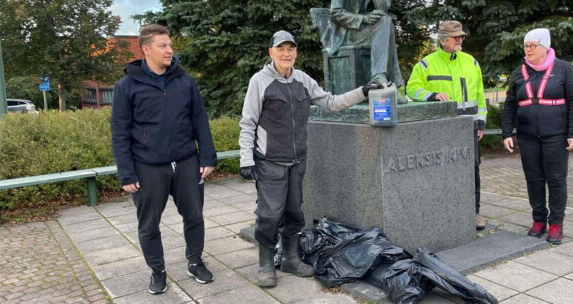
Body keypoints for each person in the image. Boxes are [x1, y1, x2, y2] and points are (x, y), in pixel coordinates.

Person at [239, 30, 382, 287]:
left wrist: (362, 91)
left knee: (294, 213)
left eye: (290, 49)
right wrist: (246, 159)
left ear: (295, 53)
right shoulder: (259, 81)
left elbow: (331, 103)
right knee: (269, 214)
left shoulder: (303, 80)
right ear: (271, 52)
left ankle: (291, 260)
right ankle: (264, 264)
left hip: (297, 162)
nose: (286, 54)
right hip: (269, 162)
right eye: (281, 49)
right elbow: (248, 123)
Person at [110, 24, 217, 294]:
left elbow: (200, 120)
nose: (169, 50)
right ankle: (157, 271)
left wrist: (207, 156)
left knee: (194, 216)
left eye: (170, 45)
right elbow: (119, 133)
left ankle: (195, 262)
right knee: (149, 225)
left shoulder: (185, 81)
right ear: (145, 49)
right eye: (162, 46)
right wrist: (127, 173)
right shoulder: (126, 87)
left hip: (186, 162)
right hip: (146, 167)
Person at [501, 28, 573, 245]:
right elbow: (510, 104)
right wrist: (507, 132)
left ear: (544, 47)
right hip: (527, 136)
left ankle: (556, 222)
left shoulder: (564, 69)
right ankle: (539, 220)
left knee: (556, 180)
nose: (528, 50)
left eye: (532, 46)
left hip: (555, 135)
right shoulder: (519, 72)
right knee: (534, 180)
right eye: (525, 46)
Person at [406, 20, 488, 231]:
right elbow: (411, 89)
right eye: (456, 37)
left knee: (472, 171)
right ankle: (439, 213)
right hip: (439, 129)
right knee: (438, 171)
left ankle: (473, 213)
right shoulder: (425, 64)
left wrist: (480, 123)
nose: (460, 40)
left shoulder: (471, 62)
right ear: (443, 40)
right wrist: (432, 95)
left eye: (461, 36)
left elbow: (480, 96)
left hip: (468, 128)